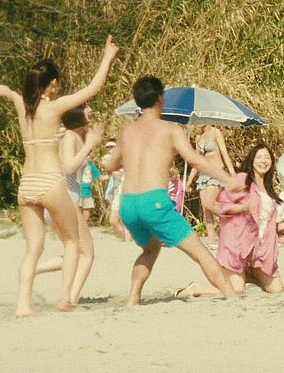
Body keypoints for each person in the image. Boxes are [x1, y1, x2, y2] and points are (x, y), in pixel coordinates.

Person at [0, 35, 117, 316]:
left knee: (33, 249)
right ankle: (65, 299)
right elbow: (93, 88)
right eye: (58, 83)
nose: (60, 87)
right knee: (72, 241)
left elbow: (7, 91)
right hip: (50, 182)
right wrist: (107, 58)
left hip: (27, 184)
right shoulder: (53, 107)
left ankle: (23, 305)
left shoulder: (22, 106)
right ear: (52, 83)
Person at [106, 75, 242, 306]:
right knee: (199, 252)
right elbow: (195, 160)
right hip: (154, 201)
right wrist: (228, 179)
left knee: (150, 249)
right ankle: (232, 296)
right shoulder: (170, 129)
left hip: (128, 204)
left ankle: (133, 298)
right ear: (161, 99)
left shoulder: (126, 131)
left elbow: (110, 165)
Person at [176, 144, 284, 298]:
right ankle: (196, 288)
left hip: (260, 252)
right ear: (252, 160)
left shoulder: (268, 188)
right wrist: (243, 207)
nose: (263, 161)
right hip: (238, 246)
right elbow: (219, 204)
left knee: (278, 290)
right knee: (236, 291)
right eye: (259, 157)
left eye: (267, 157)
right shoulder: (242, 179)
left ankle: (251, 276)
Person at [35, 103, 103, 306]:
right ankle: (69, 299)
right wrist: (90, 144)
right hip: (66, 201)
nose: (91, 110)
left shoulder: (72, 135)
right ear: (76, 112)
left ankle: (33, 269)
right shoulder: (70, 136)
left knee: (72, 251)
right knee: (87, 254)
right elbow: (69, 167)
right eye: (87, 107)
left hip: (62, 201)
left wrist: (91, 139)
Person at [186, 124, 235, 246]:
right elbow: (197, 162)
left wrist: (233, 174)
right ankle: (211, 238)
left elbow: (224, 154)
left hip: (216, 172)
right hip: (203, 174)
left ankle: (233, 221)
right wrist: (189, 181)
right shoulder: (198, 137)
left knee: (210, 202)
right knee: (205, 208)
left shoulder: (215, 132)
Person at [102, 138, 129, 240]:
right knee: (113, 220)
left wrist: (111, 166)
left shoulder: (123, 159)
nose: (110, 149)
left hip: (126, 190)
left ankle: (128, 241)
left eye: (112, 147)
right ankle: (126, 239)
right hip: (117, 191)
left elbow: (119, 176)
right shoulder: (110, 159)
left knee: (125, 220)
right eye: (108, 147)